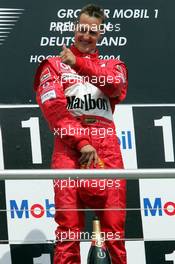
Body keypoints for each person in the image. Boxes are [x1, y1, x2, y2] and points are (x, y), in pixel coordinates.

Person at [34, 4, 128, 264]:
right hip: (69, 150)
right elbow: (54, 110)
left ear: (101, 35)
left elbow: (115, 87)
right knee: (68, 233)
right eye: (82, 29)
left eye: (93, 32)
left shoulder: (114, 65)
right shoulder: (52, 65)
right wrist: (82, 141)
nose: (86, 36)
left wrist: (80, 64)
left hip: (107, 152)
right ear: (75, 28)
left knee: (114, 233)